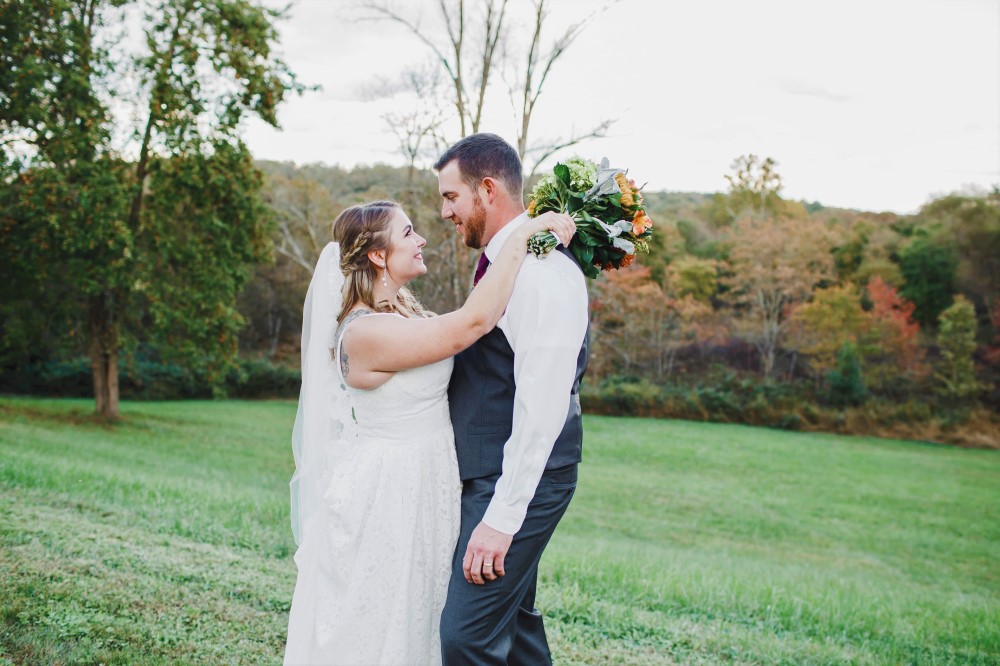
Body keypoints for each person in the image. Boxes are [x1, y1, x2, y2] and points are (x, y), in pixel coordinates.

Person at [284, 199, 575, 666]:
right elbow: (471, 324)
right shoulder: (363, 332)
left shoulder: (402, 312)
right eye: (407, 233)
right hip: (390, 491)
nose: (421, 240)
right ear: (378, 256)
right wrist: (521, 236)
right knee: (383, 620)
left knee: (422, 615)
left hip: (428, 478)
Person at [435, 134, 590, 665]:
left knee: (466, 637)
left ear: (487, 189)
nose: (444, 213)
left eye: (451, 197)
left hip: (518, 479)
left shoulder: (542, 274)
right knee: (514, 627)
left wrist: (502, 518)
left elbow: (541, 406)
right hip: (491, 472)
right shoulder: (509, 264)